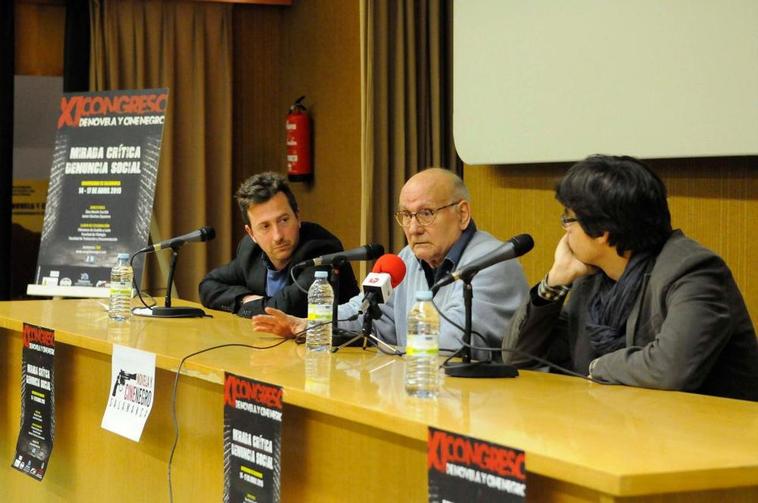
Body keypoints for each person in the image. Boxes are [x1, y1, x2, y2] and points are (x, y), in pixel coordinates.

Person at [502, 155, 758, 401]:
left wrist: (597, 366)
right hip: (629, 427)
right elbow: (518, 357)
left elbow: (669, 370)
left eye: (568, 219)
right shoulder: (592, 278)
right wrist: (554, 281)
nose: (566, 230)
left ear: (602, 231)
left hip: (712, 436)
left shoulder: (693, 272)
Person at [253, 168, 529, 358]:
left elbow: (448, 346)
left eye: (426, 213)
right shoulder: (408, 258)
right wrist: (310, 325)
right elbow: (367, 313)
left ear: (462, 214)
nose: (413, 228)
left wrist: (384, 351)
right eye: (406, 216)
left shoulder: (490, 264)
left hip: (481, 410)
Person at [199, 171, 359, 318]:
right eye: (265, 226)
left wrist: (251, 307)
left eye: (283, 220)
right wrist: (244, 299)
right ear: (251, 233)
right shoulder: (250, 251)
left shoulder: (322, 248)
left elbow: (286, 309)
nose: (277, 236)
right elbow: (208, 286)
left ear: (297, 217)